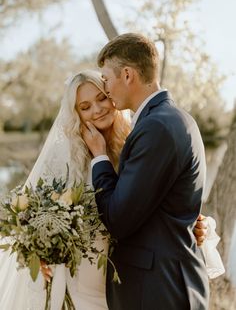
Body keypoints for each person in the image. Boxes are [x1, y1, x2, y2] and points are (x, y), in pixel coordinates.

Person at [0, 70, 207, 309]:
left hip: (130, 278)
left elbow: (155, 202)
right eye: (85, 107)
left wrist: (192, 221)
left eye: (101, 98)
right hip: (81, 283)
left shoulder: (139, 142)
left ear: (112, 96)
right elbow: (31, 217)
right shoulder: (70, 161)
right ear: (76, 114)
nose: (97, 109)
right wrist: (38, 251)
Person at [81, 33, 210, 310]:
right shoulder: (172, 119)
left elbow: (118, 218)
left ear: (127, 75)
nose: (105, 89)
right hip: (162, 284)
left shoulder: (157, 127)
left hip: (156, 289)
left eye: (106, 78)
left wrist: (100, 157)